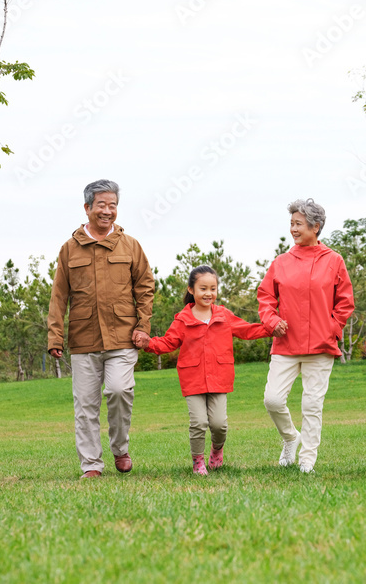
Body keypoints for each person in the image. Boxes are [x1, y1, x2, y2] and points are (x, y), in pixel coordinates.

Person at [47, 179, 155, 479]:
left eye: (113, 206)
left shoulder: (130, 245)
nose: (108, 211)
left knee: (120, 391)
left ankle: (120, 448)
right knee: (85, 406)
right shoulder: (69, 249)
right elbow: (59, 296)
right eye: (102, 205)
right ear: (87, 208)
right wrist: (54, 335)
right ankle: (92, 465)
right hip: (83, 339)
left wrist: (143, 325)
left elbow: (145, 286)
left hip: (123, 335)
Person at [134, 266, 287, 476]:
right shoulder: (182, 319)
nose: (208, 293)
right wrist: (147, 343)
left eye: (212, 288)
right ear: (191, 290)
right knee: (198, 423)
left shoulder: (224, 315)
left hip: (219, 377)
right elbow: (168, 343)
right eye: (203, 288)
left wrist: (270, 328)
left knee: (218, 424)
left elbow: (246, 330)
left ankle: (217, 449)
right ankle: (198, 462)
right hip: (192, 378)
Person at [257, 199, 355, 474]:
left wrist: (333, 329)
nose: (293, 229)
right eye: (291, 224)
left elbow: (345, 301)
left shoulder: (334, 260)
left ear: (316, 226)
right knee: (273, 400)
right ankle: (290, 437)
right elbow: (265, 298)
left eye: (298, 224)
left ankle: (307, 460)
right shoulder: (281, 263)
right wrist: (272, 320)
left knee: (312, 405)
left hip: (322, 346)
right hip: (286, 344)